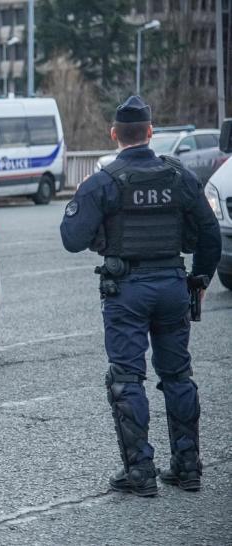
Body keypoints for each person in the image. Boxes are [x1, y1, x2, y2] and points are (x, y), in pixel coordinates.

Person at [60, 96, 221, 496]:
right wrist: (198, 279)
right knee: (178, 376)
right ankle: (187, 468)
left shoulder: (104, 181)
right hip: (171, 285)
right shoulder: (179, 176)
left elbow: (71, 239)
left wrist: (80, 199)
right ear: (151, 133)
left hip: (126, 290)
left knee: (127, 378)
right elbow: (210, 234)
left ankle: (140, 472)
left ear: (114, 134)